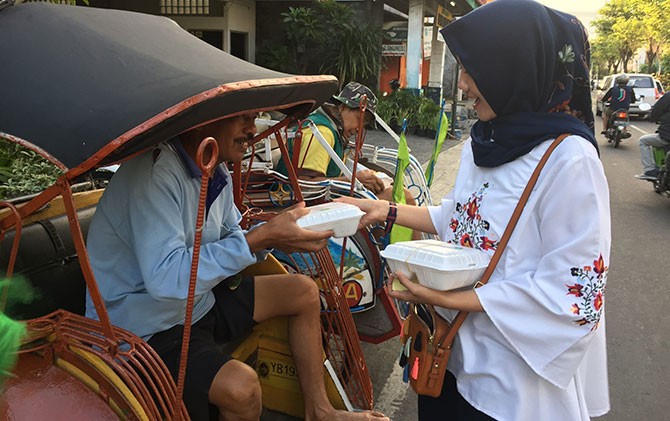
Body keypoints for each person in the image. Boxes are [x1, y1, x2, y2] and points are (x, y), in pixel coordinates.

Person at [337, 0, 611, 420]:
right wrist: (384, 210)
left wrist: (446, 296)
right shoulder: (483, 142)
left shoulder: (569, 160)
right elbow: (458, 218)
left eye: (472, 70)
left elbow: (574, 295)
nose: (462, 84)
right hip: (448, 360)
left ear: (512, 67)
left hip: (510, 389)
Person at [85, 113, 388, 421]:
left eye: (254, 118)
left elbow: (232, 236)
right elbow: (166, 278)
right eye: (243, 118)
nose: (251, 129)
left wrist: (277, 237)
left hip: (198, 302)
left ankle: (320, 411)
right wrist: (260, 238)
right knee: (242, 390)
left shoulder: (213, 167)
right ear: (202, 120)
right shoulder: (154, 174)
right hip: (145, 326)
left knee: (304, 292)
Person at [278, 82, 415, 205]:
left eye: (365, 124)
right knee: (404, 197)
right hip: (301, 201)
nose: (359, 128)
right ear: (343, 107)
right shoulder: (323, 132)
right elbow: (305, 185)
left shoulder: (333, 132)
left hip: (324, 197)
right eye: (359, 119)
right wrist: (354, 180)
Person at [635, 91, 670, 180]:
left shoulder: (668, 96)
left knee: (643, 140)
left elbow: (656, 111)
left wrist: (651, 117)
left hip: (667, 136)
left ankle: (649, 170)